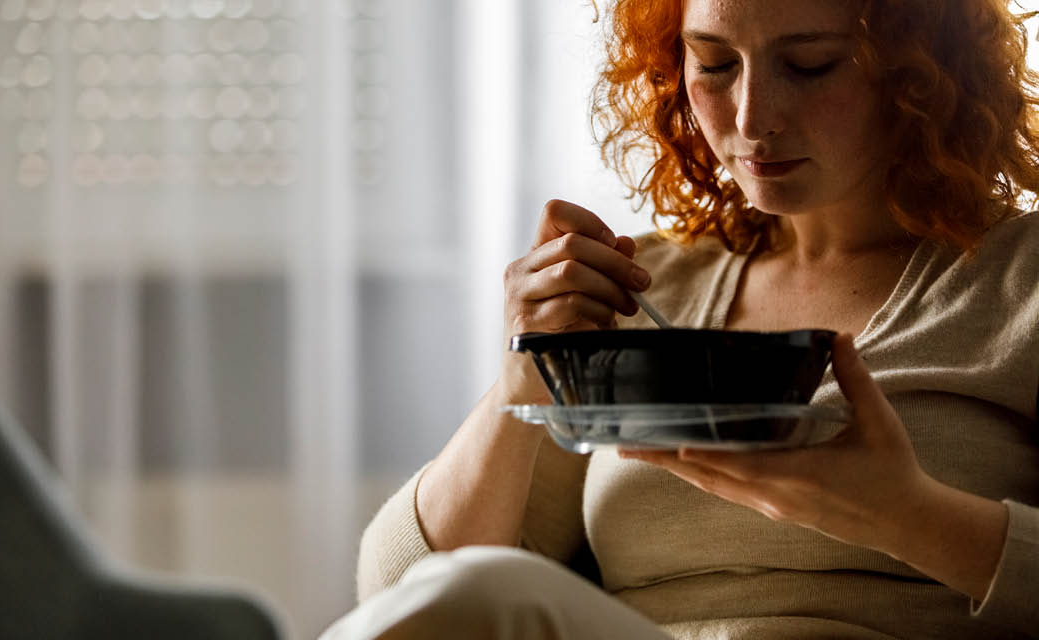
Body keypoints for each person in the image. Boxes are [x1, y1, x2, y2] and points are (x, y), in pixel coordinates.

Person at [322, 0, 1039, 637]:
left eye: (811, 65)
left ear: (922, 70)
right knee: (476, 592)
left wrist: (906, 515)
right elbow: (401, 599)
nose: (754, 118)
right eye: (715, 62)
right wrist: (520, 382)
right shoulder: (647, 287)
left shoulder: (1020, 280)